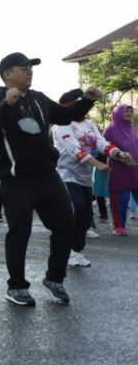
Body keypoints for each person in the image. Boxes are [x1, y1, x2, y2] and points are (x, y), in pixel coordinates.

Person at [0, 52, 101, 306]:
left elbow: (65, 115)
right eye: (23, 68)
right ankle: (17, 287)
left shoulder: (38, 98)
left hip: (47, 176)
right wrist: (6, 105)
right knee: (20, 232)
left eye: (30, 68)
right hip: (16, 181)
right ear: (7, 74)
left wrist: (87, 101)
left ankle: (54, 278)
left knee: (65, 224)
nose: (29, 72)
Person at [52, 89, 131, 266]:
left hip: (85, 177)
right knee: (77, 210)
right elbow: (74, 149)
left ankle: (76, 251)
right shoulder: (61, 124)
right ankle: (67, 252)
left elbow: (102, 144)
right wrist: (98, 165)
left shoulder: (89, 125)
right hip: (66, 176)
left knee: (85, 216)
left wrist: (118, 153)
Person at [103, 104, 138, 235]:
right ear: (118, 113)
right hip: (119, 170)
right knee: (120, 200)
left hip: (135, 169)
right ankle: (119, 226)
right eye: (126, 111)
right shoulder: (110, 130)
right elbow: (104, 148)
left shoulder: (131, 129)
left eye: (131, 111)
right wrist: (119, 155)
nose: (129, 113)